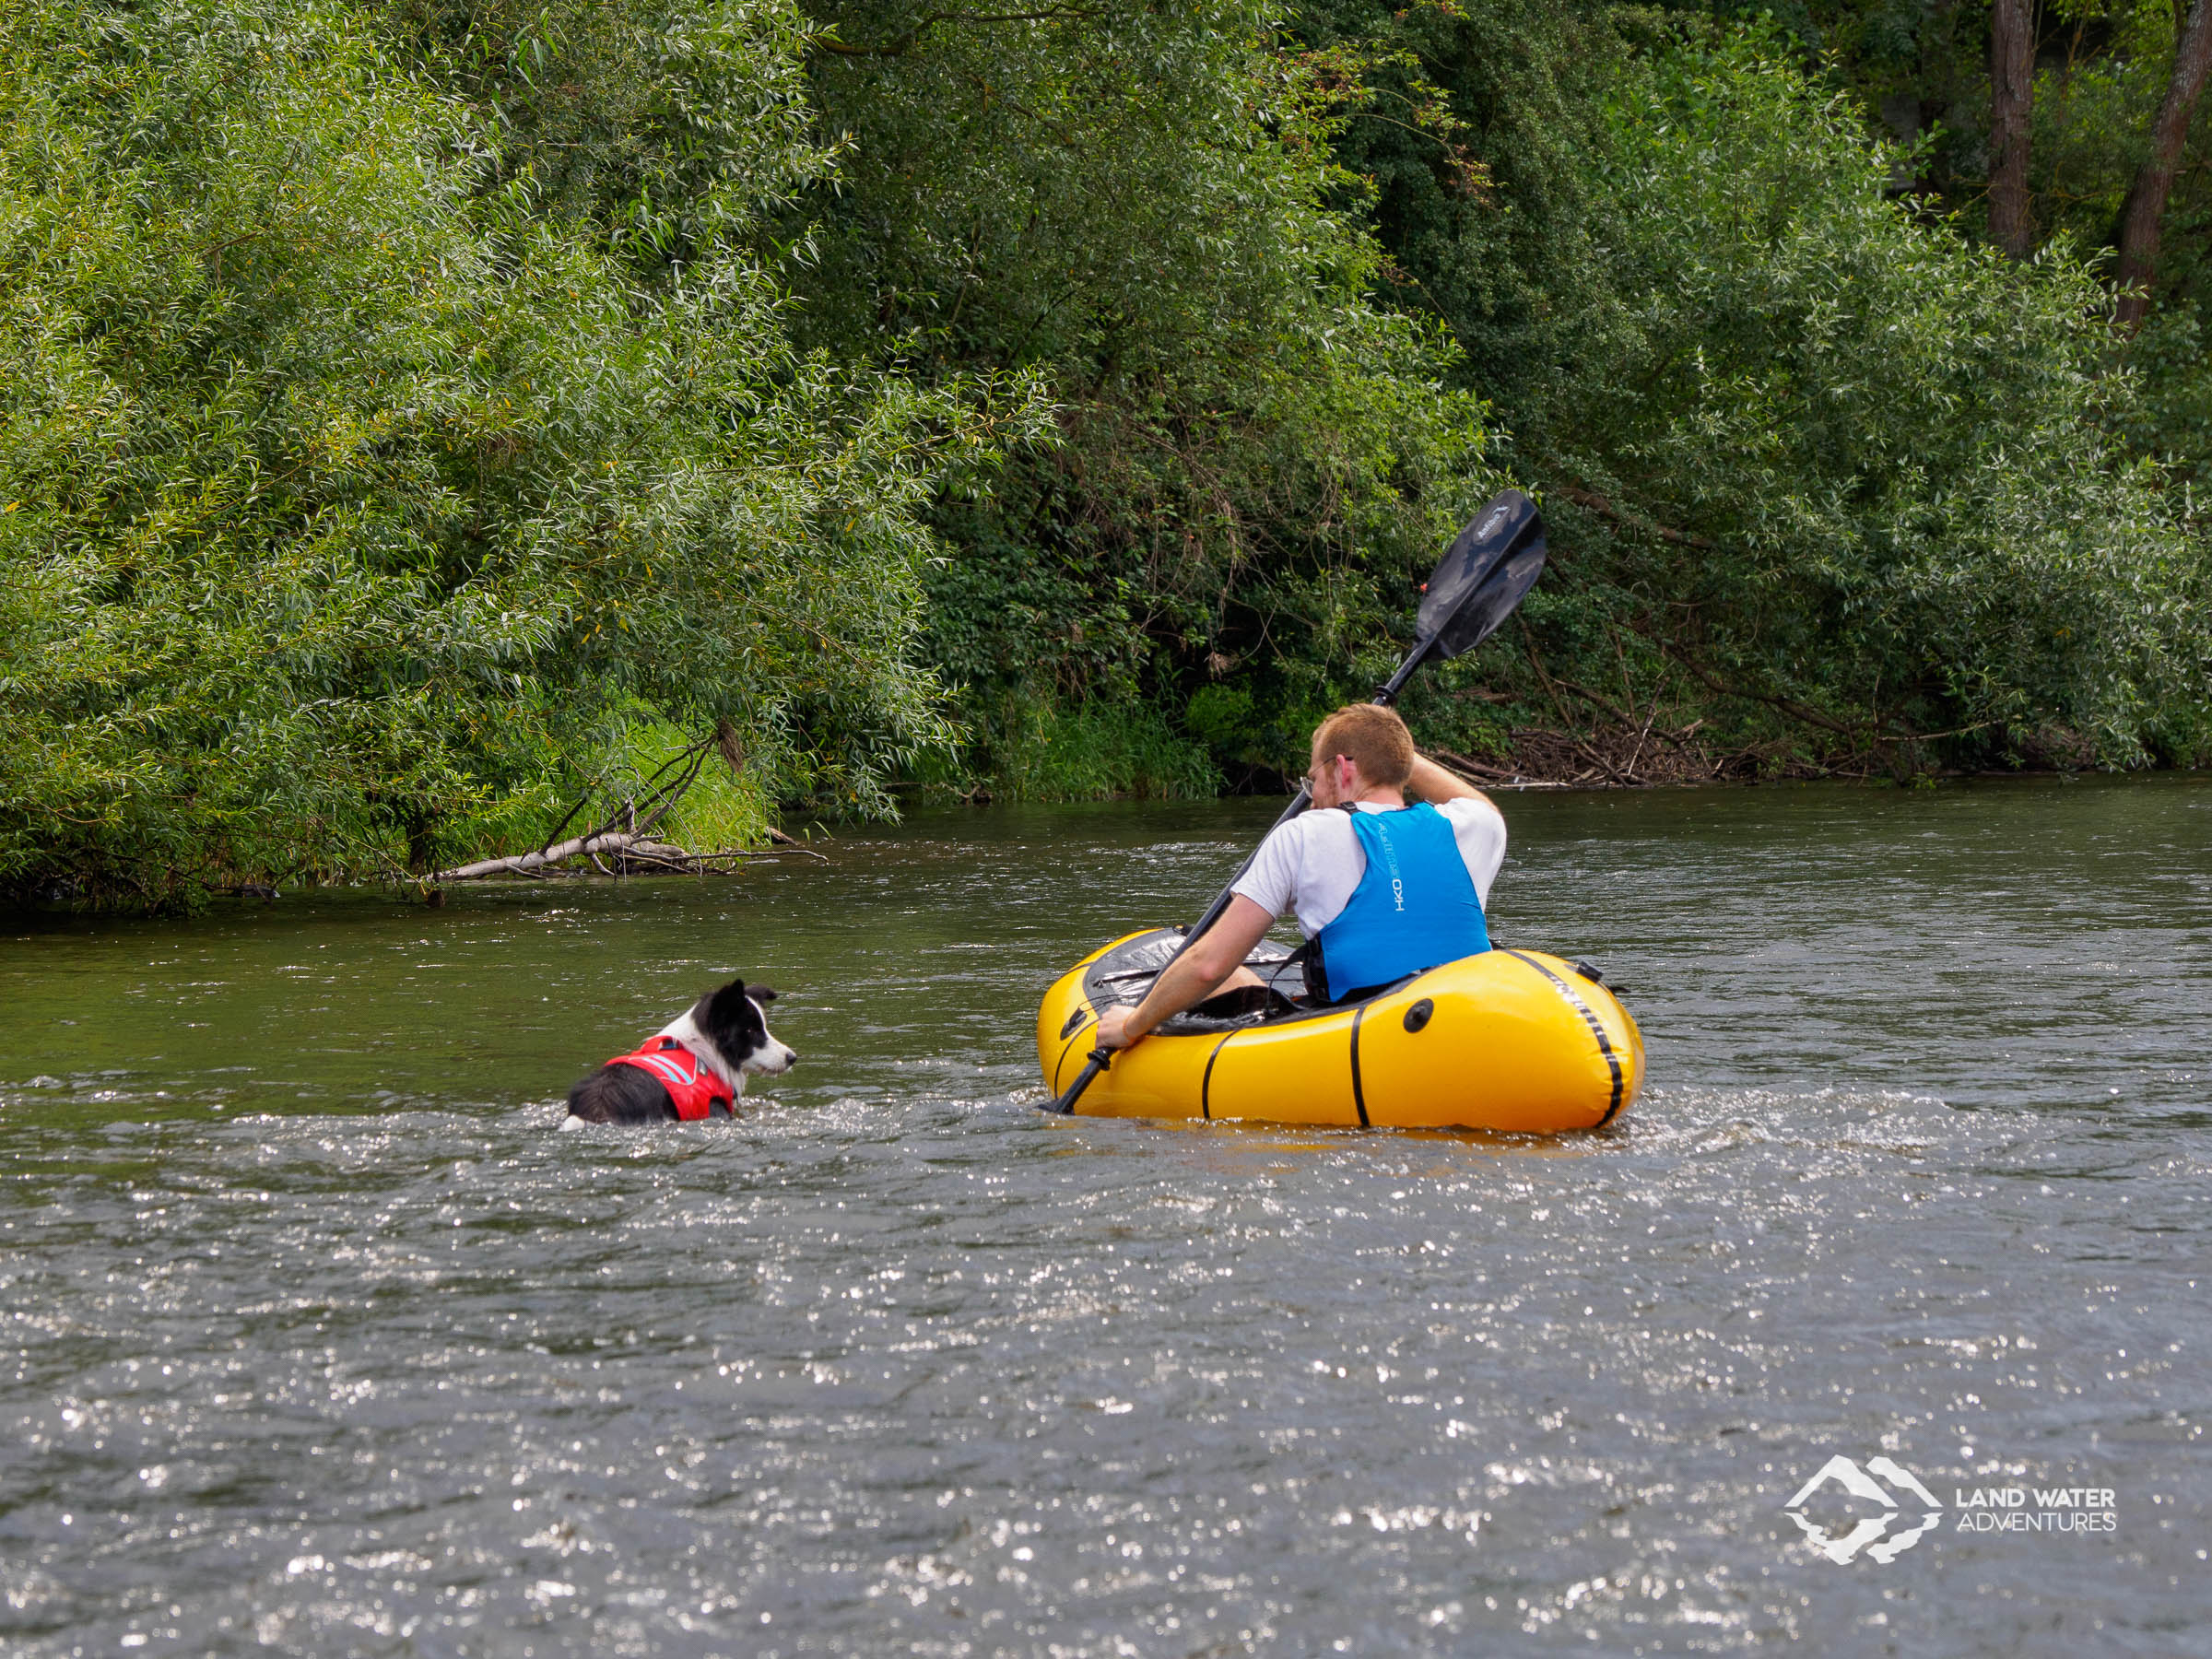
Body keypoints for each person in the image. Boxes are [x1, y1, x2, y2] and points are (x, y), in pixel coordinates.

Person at [1093, 703, 1504, 1051]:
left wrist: (1132, 1025)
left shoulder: (1303, 834)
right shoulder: (1474, 827)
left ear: (1341, 768)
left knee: (1230, 975)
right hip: (1464, 1020)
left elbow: (1209, 965)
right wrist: (1392, 749)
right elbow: (1475, 801)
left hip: (1364, 1037)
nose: (1311, 795)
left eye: (1312, 779)